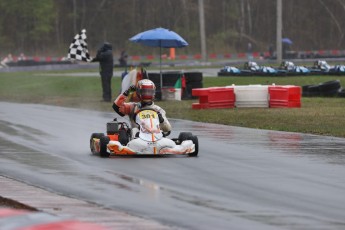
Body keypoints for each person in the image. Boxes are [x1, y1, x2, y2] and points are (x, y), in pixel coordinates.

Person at [111, 79, 194, 155]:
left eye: (149, 92)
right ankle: (138, 145)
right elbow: (116, 107)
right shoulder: (132, 107)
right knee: (133, 130)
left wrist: (161, 120)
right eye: (144, 92)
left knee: (186, 137)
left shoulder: (158, 110)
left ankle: (152, 145)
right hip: (137, 138)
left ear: (153, 93)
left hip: (157, 136)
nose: (147, 94)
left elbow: (167, 129)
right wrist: (126, 93)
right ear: (139, 92)